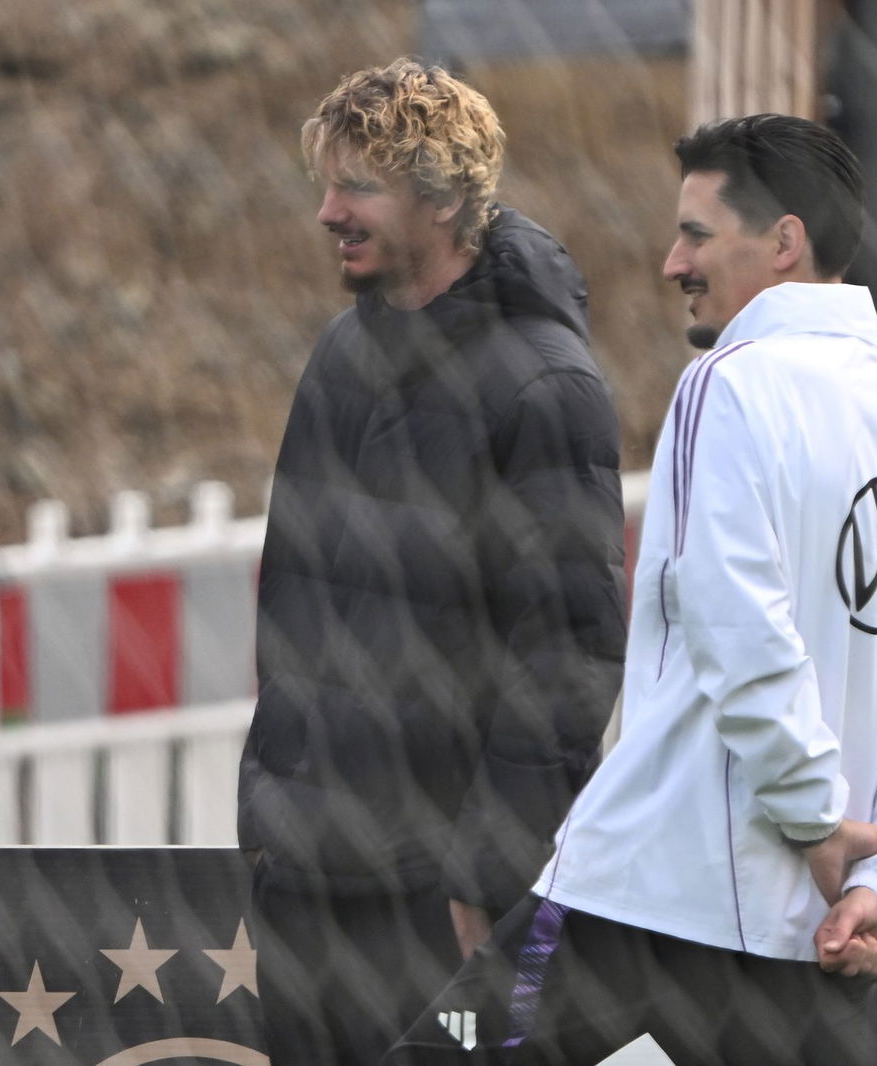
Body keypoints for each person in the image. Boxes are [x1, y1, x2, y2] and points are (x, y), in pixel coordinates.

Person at [387, 115, 877, 1065]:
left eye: (698, 235)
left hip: (646, 892)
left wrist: (814, 820)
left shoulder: (730, 385)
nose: (672, 263)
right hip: (812, 924)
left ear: (785, 241)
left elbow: (736, 621)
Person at [237, 58, 628, 1065]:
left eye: (357, 185)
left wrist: (483, 880)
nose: (326, 212)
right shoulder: (339, 353)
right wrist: (271, 816)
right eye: (324, 184)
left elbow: (568, 656)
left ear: (446, 197)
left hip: (429, 904)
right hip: (305, 881)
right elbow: (290, 603)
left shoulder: (545, 385)